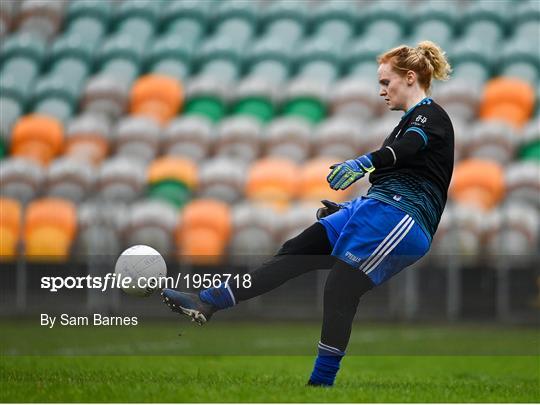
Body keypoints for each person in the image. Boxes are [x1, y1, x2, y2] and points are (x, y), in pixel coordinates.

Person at [162, 40, 454, 387]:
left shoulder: (428, 114)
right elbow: (405, 162)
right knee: (296, 250)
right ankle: (207, 302)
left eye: (385, 82)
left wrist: (365, 162)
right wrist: (349, 210)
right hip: (374, 206)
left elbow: (407, 149)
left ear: (409, 77)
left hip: (401, 218)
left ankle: (321, 384)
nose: (381, 90)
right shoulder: (408, 121)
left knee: (340, 289)